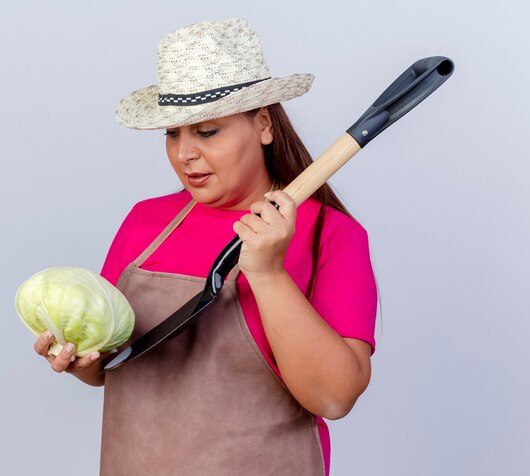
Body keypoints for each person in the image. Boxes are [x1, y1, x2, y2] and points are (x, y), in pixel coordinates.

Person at [33, 18, 377, 475]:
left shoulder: (327, 235)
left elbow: (333, 397)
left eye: (207, 131)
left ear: (263, 125)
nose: (184, 154)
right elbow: (111, 366)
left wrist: (269, 272)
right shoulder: (146, 222)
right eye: (173, 133)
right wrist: (80, 361)